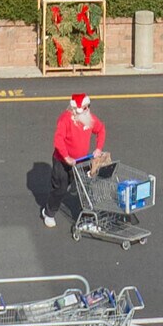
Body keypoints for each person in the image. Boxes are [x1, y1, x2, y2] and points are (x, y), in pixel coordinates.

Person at [43, 93, 106, 230]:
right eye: (82, 108)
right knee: (60, 189)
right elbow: (58, 140)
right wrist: (66, 157)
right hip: (62, 162)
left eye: (86, 107)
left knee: (86, 189)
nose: (85, 110)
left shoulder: (89, 119)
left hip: (81, 161)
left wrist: (98, 149)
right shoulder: (65, 119)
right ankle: (49, 212)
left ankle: (88, 219)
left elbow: (101, 130)